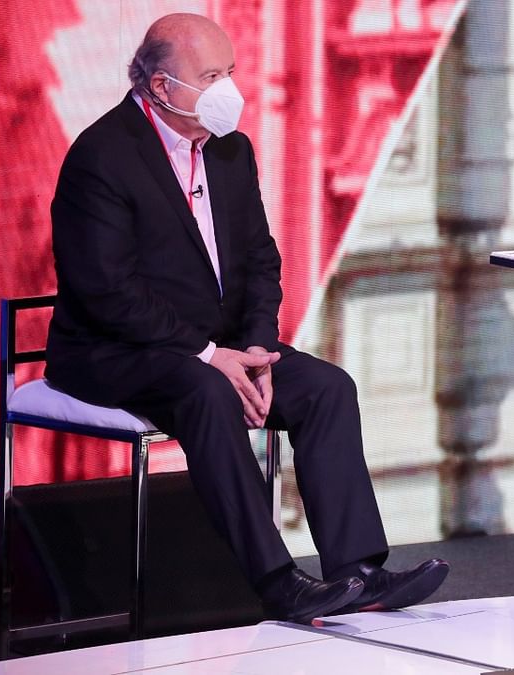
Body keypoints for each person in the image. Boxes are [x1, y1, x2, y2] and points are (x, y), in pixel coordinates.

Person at [45, 12, 448, 624]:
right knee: (206, 390)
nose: (229, 88)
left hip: (224, 349)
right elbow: (107, 291)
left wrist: (258, 351)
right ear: (161, 87)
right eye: (211, 76)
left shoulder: (231, 150)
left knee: (325, 387)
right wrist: (210, 355)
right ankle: (277, 581)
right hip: (114, 352)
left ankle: (358, 570)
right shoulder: (101, 157)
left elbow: (262, 260)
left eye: (230, 71)